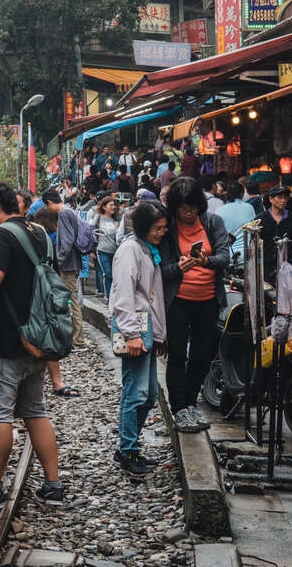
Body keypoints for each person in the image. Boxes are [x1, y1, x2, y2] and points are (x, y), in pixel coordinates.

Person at [0, 183, 64, 511]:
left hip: (7, 337)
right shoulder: (40, 232)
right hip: (37, 337)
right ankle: (53, 484)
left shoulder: (2, 235)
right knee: (35, 410)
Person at [160, 177, 232, 433]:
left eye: (191, 208)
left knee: (202, 355)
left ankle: (190, 403)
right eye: (182, 209)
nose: (187, 214)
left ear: (199, 205)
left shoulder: (213, 222)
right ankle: (179, 407)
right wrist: (178, 267)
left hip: (208, 299)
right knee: (178, 354)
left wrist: (206, 261)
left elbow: (224, 257)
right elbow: (163, 269)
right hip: (178, 301)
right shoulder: (168, 228)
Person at [109, 201, 168, 477]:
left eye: (164, 228)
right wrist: (132, 334)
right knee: (135, 393)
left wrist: (158, 334)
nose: (162, 232)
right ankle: (128, 450)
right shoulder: (130, 250)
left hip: (146, 327)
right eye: (157, 228)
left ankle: (129, 447)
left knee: (149, 395)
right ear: (144, 226)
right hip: (134, 326)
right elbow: (123, 296)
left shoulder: (146, 248)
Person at [42, 189, 86, 347]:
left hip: (68, 264)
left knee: (71, 300)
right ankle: (76, 336)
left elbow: (67, 242)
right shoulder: (69, 211)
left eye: (47, 207)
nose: (48, 210)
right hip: (72, 263)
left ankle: (77, 338)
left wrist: (58, 262)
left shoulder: (64, 213)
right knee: (72, 298)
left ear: (49, 203)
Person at [90, 196, 125, 299]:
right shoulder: (98, 218)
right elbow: (90, 232)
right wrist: (91, 250)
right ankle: (109, 297)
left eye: (114, 205)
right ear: (104, 207)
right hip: (102, 250)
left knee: (115, 275)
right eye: (110, 205)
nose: (113, 207)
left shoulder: (117, 219)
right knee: (108, 273)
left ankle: (115, 297)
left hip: (115, 251)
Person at [217, 181, 257, 263]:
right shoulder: (249, 208)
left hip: (227, 255)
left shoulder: (220, 210)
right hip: (247, 254)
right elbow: (254, 229)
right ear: (242, 194)